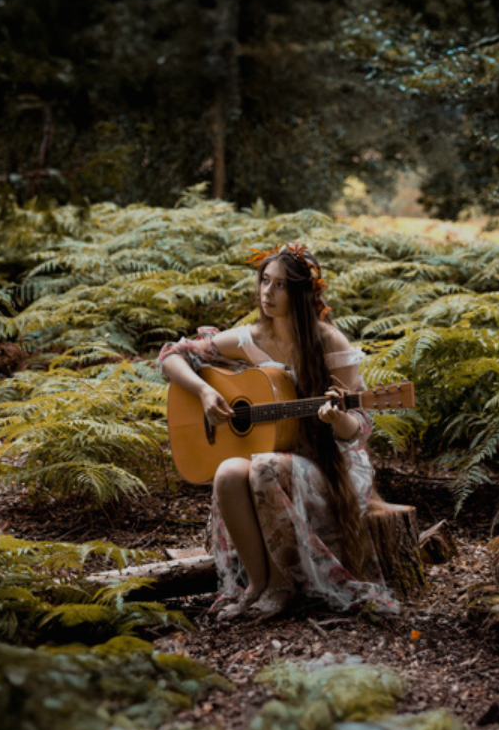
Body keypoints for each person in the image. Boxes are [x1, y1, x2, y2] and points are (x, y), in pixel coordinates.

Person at [158, 243, 399, 621]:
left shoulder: (328, 342)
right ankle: (257, 585)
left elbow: (358, 429)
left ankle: (281, 585)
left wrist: (338, 420)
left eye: (281, 285)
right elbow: (173, 355)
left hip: (329, 465)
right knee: (227, 472)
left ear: (300, 293)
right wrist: (204, 391)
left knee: (263, 467)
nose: (267, 293)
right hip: (271, 455)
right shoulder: (249, 338)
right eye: (265, 281)